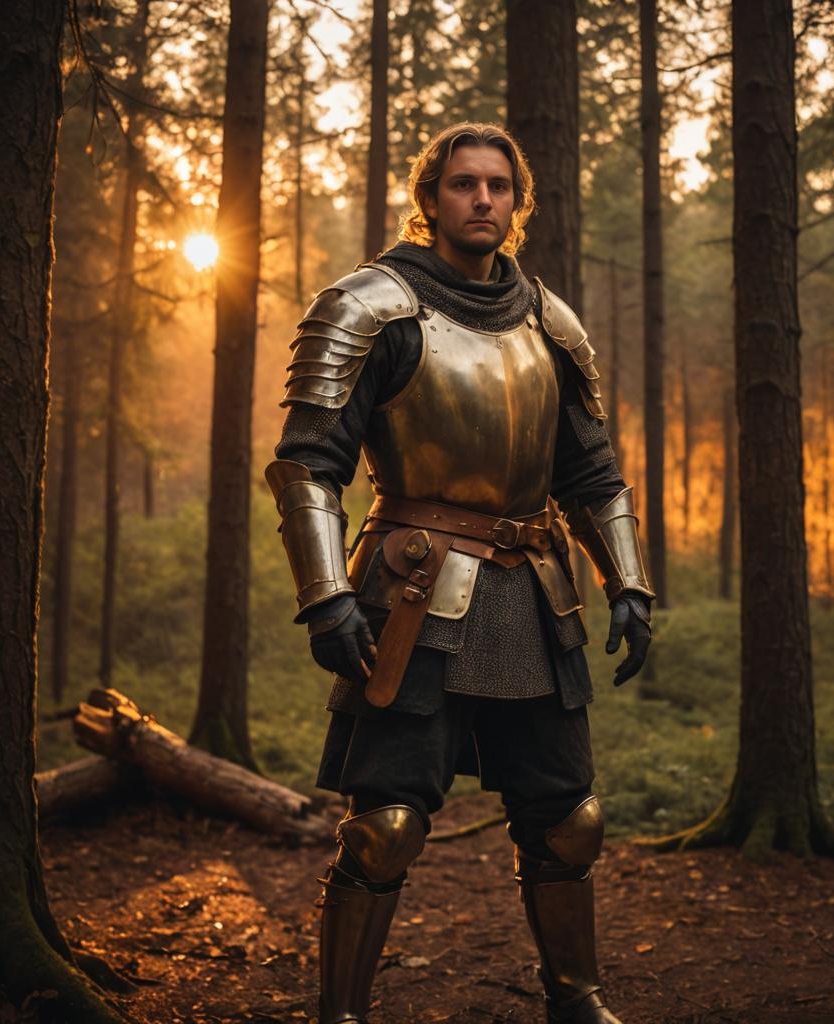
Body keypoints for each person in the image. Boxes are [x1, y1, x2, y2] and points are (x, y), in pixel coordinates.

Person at [266, 122, 653, 1024]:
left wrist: (627, 580)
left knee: (568, 823)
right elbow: (307, 465)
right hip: (413, 595)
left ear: (517, 203)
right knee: (384, 829)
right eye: (463, 184)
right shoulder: (373, 308)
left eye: (498, 186)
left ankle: (577, 998)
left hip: (535, 593)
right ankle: (342, 1013)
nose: (482, 199)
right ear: (430, 197)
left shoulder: (550, 321)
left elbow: (590, 472)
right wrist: (326, 596)